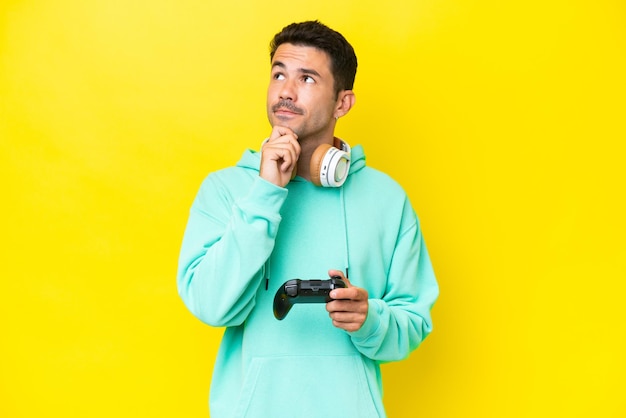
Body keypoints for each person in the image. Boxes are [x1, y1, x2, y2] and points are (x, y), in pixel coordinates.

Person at [177, 20, 439, 418]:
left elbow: (414, 322)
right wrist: (266, 193)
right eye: (279, 74)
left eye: (307, 78)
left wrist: (371, 319)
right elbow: (211, 306)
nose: (285, 90)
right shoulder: (226, 189)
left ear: (342, 103)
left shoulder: (387, 199)